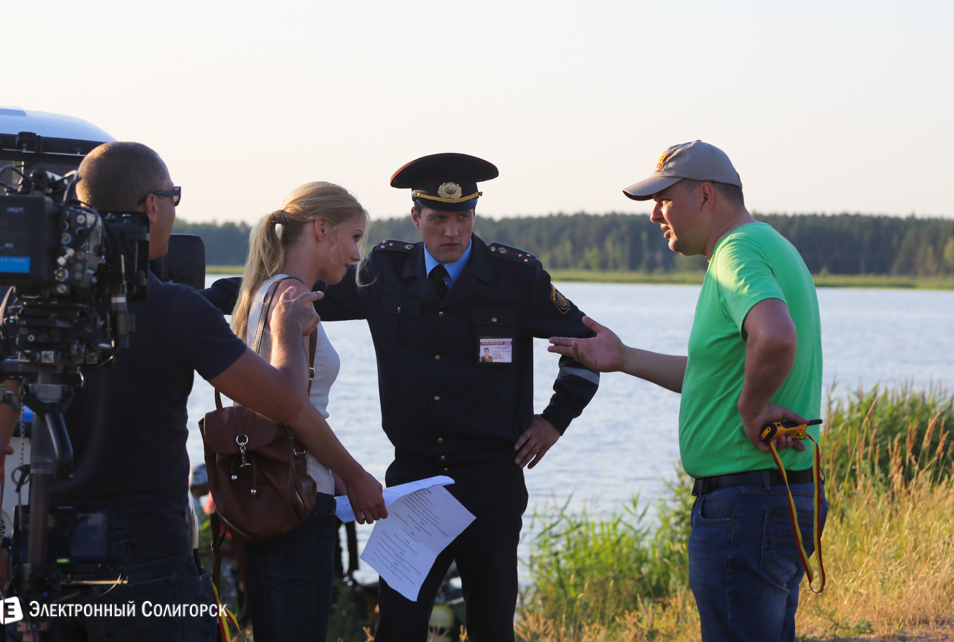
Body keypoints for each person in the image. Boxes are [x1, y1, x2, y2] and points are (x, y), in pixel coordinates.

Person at [0, 142, 324, 641]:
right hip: (149, 567)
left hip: (40, 551)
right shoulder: (177, 309)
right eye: (172, 197)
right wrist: (287, 328)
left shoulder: (26, 302)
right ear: (152, 205)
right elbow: (285, 403)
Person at [313, 152, 600, 642]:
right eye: (439, 218)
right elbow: (300, 291)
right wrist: (200, 297)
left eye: (462, 217)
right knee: (397, 630)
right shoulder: (384, 271)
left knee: (491, 628)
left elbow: (591, 346)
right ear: (416, 218)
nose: (452, 230)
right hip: (413, 482)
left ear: (474, 215)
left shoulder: (516, 278)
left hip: (492, 481)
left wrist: (555, 420)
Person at [549, 141, 826, 641]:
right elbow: (718, 378)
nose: (654, 215)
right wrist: (625, 358)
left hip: (743, 504)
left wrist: (753, 409)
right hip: (779, 495)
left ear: (704, 196)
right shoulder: (773, 247)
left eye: (663, 200)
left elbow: (776, 334)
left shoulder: (735, 254)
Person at [230, 182, 388, 642]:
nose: (358, 255)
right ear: (322, 229)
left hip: (270, 494)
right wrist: (356, 476)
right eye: (355, 237)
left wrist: (334, 475)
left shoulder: (264, 292)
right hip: (295, 505)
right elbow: (293, 408)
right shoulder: (294, 302)